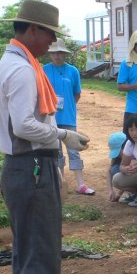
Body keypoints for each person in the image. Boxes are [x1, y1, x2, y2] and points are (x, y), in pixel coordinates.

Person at [0, 0, 87, 274]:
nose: (52, 42)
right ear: (33, 29)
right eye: (50, 34)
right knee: (42, 248)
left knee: (28, 247)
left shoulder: (17, 62)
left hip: (24, 166)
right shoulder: (21, 70)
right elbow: (24, 124)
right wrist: (63, 135)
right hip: (31, 167)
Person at [43, 38, 90, 194]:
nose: (58, 56)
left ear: (65, 54)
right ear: (50, 54)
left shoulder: (73, 71)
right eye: (55, 53)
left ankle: (80, 184)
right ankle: (60, 182)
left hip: (68, 117)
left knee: (73, 149)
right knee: (55, 151)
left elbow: (77, 94)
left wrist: (68, 106)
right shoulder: (44, 70)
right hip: (50, 117)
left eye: (60, 53)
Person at [106, 131, 128, 202]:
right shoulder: (118, 158)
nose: (117, 154)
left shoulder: (132, 156)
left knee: (119, 175)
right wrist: (110, 191)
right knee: (114, 169)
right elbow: (109, 171)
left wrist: (118, 194)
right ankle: (133, 194)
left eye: (118, 151)